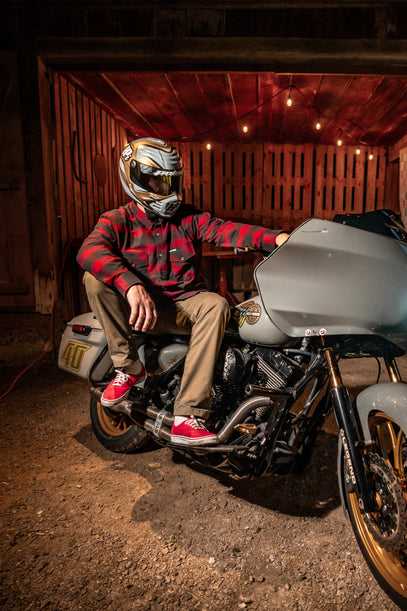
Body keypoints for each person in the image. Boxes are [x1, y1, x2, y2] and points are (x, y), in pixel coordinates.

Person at [78, 137, 288, 446]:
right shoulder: (117, 220)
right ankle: (128, 367)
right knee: (94, 279)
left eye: (171, 180)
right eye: (156, 181)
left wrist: (278, 238)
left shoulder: (189, 218)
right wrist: (130, 284)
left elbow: (227, 230)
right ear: (135, 178)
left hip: (181, 307)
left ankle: (188, 415)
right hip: (140, 311)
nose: (166, 188)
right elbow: (89, 250)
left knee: (216, 305)